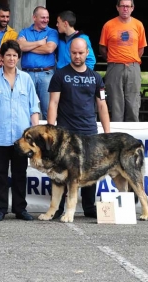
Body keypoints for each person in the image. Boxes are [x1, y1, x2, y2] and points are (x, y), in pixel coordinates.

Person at [0, 40, 40, 221]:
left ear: (18, 58)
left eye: (14, 55)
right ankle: (0, 209)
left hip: (22, 137)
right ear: (1, 58)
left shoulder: (26, 79)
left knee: (20, 173)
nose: (11, 58)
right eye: (8, 55)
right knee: (0, 174)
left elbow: (33, 107)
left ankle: (20, 209)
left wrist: (35, 132)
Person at [47, 37, 111, 219]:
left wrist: (107, 134)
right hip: (65, 133)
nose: (77, 56)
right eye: (74, 53)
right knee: (60, 171)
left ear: (87, 53)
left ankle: (89, 207)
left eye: (80, 53)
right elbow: (53, 103)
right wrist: (51, 131)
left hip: (90, 132)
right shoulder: (59, 75)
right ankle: (58, 207)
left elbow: (102, 106)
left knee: (90, 169)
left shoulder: (96, 78)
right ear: (69, 52)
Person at [99, 0, 147, 122]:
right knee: (115, 103)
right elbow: (102, 48)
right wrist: (114, 60)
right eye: (122, 6)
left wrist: (131, 59)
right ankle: (117, 136)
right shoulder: (108, 25)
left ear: (132, 8)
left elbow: (141, 48)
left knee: (133, 102)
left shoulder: (138, 25)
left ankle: (133, 135)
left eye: (128, 6)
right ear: (117, 8)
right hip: (114, 66)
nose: (125, 9)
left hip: (133, 66)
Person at [17, 6, 59, 120]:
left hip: (46, 74)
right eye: (42, 18)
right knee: (27, 108)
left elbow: (49, 49)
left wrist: (28, 46)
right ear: (34, 18)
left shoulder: (52, 32)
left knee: (48, 109)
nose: (46, 20)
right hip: (27, 75)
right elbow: (20, 46)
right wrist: (40, 42)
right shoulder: (24, 31)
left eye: (47, 18)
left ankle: (49, 136)